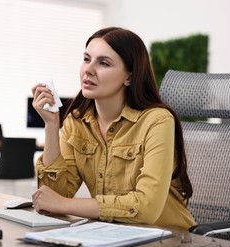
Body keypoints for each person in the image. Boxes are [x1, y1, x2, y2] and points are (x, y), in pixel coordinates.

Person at [31, 27, 195, 229]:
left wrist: (64, 205)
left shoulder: (157, 121)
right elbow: (52, 199)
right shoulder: (76, 122)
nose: (89, 70)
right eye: (86, 59)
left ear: (129, 77)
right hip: (113, 235)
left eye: (103, 63)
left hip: (172, 241)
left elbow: (146, 207)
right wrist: (51, 125)